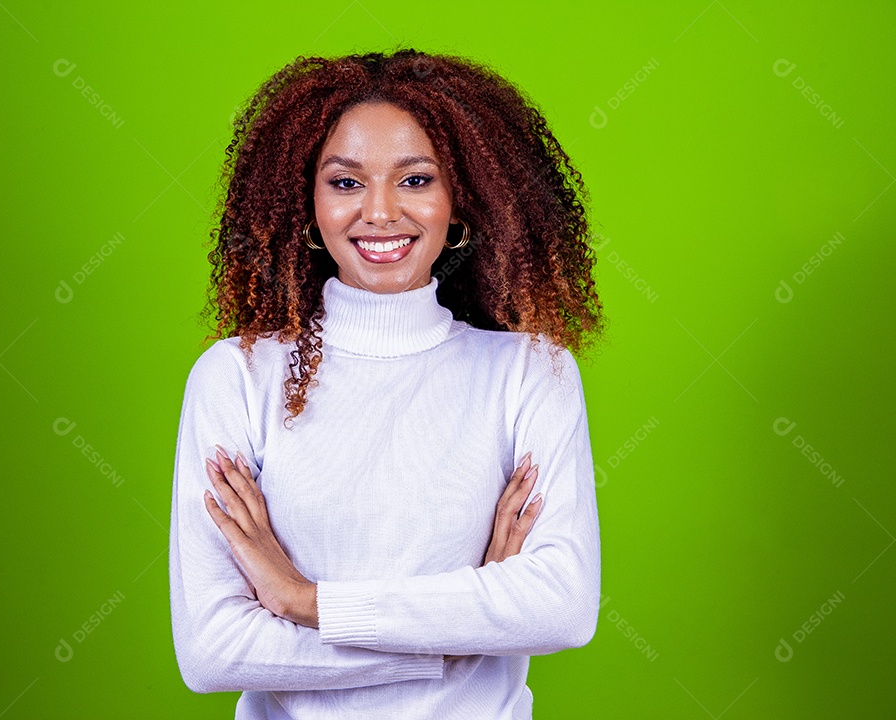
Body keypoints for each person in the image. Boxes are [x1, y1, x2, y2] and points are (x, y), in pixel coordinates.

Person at [169, 48, 604, 719]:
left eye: (416, 180)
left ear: (460, 202)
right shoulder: (238, 376)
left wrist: (306, 603)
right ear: (308, 202)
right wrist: (458, 639)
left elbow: (563, 607)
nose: (379, 212)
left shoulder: (529, 372)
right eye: (346, 182)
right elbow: (213, 652)